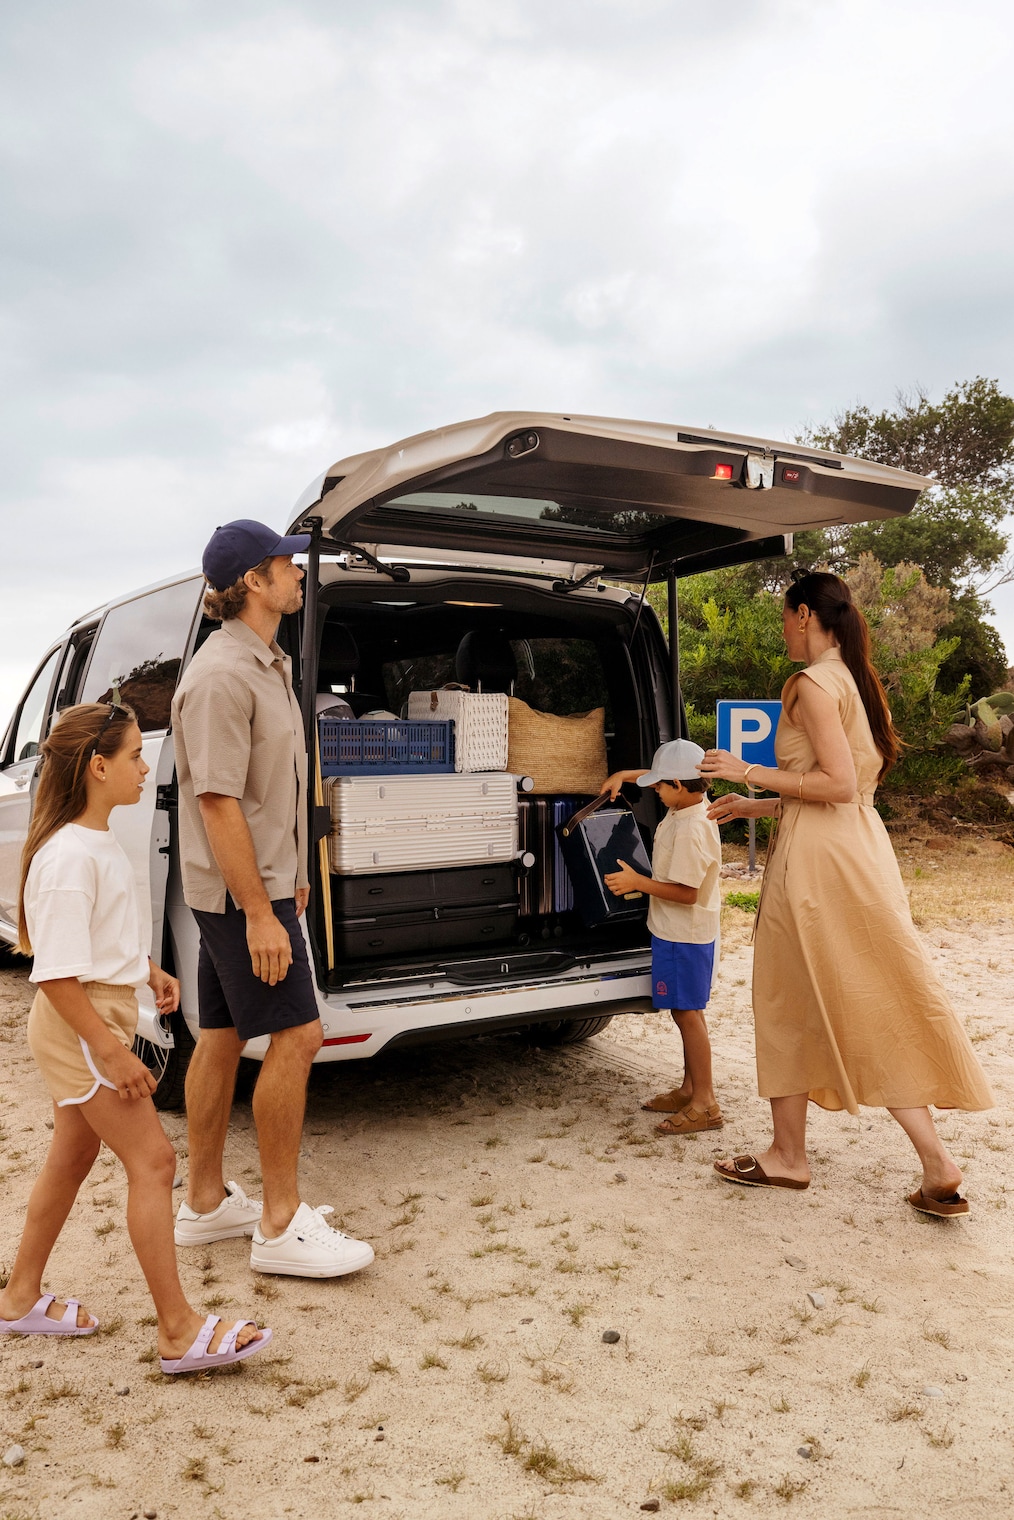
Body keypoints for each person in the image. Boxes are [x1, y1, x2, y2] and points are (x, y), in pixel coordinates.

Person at [701, 571, 993, 1216]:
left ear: (805, 614)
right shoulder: (857, 681)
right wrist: (757, 804)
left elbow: (832, 784)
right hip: (858, 849)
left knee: (787, 995)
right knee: (871, 994)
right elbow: (847, 793)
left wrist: (745, 769)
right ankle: (933, 1162)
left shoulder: (812, 683)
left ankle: (789, 1157)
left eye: (785, 616)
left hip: (816, 865)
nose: (784, 629)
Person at [0, 702, 270, 1373]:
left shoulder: (95, 841)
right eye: (133, 757)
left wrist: (147, 971)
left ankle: (19, 1297)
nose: (146, 768)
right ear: (98, 767)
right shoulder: (68, 856)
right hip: (79, 1026)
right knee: (154, 1162)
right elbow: (55, 975)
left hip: (97, 1012)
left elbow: (95, 938)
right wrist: (112, 1051)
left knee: (72, 1155)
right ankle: (177, 1330)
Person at [171, 519, 374, 1278]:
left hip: (260, 883)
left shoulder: (268, 663)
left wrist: (292, 875)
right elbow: (218, 802)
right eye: (287, 564)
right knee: (299, 1037)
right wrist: (261, 911)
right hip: (241, 895)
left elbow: (269, 789)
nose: (298, 573)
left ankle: (203, 1204)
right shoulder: (222, 675)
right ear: (252, 581)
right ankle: (281, 1226)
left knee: (221, 1036)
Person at [600, 740, 723, 1134]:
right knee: (685, 1011)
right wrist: (624, 775)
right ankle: (690, 1089)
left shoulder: (691, 830)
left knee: (688, 1014)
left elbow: (687, 893)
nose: (654, 791)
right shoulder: (689, 803)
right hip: (678, 931)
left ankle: (705, 1104)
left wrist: (638, 882)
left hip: (683, 935)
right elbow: (665, 778)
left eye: (659, 787)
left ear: (678, 785)